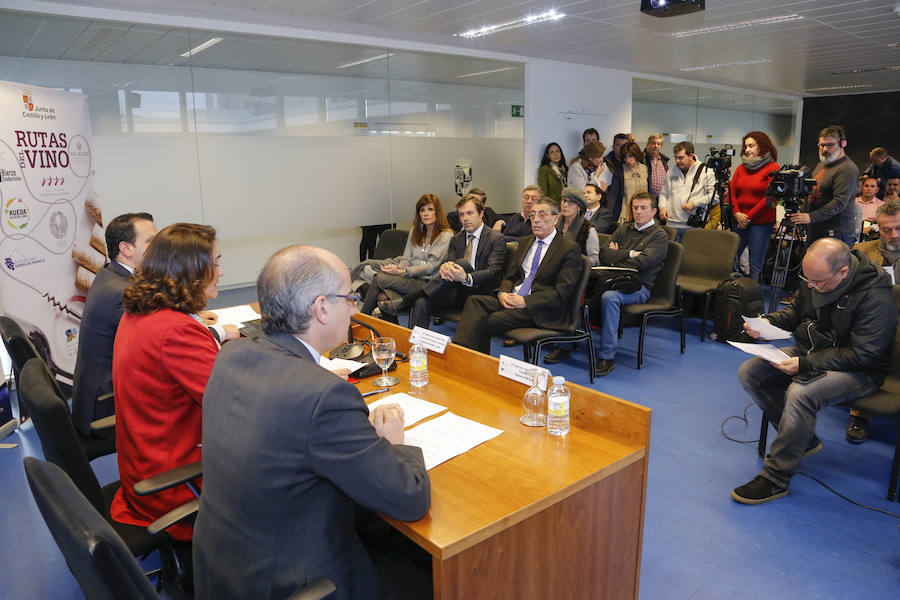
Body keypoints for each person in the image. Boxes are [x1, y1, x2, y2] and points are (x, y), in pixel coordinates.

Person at [193, 245, 430, 600]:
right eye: (349, 298)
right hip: (293, 582)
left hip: (224, 566)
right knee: (430, 577)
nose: (353, 308)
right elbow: (409, 497)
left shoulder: (232, 355)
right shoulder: (325, 396)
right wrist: (396, 444)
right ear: (321, 308)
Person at [731, 238, 896, 504]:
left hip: (862, 370)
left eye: (817, 282)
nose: (811, 286)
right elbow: (796, 313)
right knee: (751, 372)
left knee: (802, 392)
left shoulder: (875, 296)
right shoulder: (816, 277)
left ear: (843, 272)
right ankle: (803, 440)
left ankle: (776, 478)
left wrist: (806, 364)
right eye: (807, 280)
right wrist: (767, 322)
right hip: (814, 352)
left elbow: (864, 354)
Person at [110, 223, 228, 540]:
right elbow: (234, 406)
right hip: (175, 484)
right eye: (215, 263)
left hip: (143, 467)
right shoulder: (176, 331)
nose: (222, 271)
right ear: (191, 271)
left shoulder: (141, 312)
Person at [453, 198, 583, 355]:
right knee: (474, 302)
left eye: (542, 215)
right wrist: (502, 293)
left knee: (485, 321)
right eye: (533, 215)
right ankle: (461, 352)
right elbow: (510, 276)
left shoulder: (569, 249)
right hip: (513, 299)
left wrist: (525, 301)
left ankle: (463, 359)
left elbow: (562, 293)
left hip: (539, 309)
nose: (536, 220)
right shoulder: (526, 242)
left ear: (556, 219)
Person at [71, 212, 156, 436]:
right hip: (106, 407)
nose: (159, 247)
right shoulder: (123, 292)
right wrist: (216, 333)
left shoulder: (111, 273)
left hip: (97, 394)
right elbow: (159, 346)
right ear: (127, 249)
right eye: (152, 242)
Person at [379, 194, 507, 329]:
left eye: (470, 213)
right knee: (421, 302)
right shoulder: (456, 239)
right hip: (456, 290)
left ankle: (407, 301)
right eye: (461, 215)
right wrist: (446, 268)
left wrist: (466, 277)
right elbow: (448, 264)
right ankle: (416, 347)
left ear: (481, 213)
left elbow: (492, 272)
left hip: (482, 292)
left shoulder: (496, 238)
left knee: (462, 263)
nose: (465, 218)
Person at [591, 192, 669, 377]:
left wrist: (619, 254)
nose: (638, 212)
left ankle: (607, 357)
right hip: (614, 280)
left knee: (610, 298)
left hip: (639, 287)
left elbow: (644, 263)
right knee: (583, 285)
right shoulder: (624, 229)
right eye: (635, 208)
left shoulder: (659, 236)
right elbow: (603, 253)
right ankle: (571, 341)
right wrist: (631, 254)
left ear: (654, 211)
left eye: (643, 208)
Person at [846, 198, 900, 442]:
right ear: (878, 227)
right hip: (872, 322)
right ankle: (860, 413)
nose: (893, 234)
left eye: (899, 228)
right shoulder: (861, 253)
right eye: (887, 229)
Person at [356, 194, 453, 318]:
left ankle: (363, 320)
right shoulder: (415, 231)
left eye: (430, 209)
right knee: (383, 297)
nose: (426, 213)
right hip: (410, 278)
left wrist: (404, 271)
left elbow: (431, 266)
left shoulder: (445, 235)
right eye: (422, 210)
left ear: (437, 212)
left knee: (378, 278)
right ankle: (390, 330)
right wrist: (398, 269)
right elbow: (406, 258)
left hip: (427, 282)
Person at [542, 188, 601, 364]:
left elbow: (594, 261)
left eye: (571, 202)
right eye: (563, 201)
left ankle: (564, 346)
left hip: (578, 279)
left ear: (579, 207)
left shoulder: (588, 230)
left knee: (564, 294)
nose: (565, 205)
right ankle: (539, 330)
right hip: (554, 274)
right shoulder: (556, 225)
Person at [790, 125, 859, 246]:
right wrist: (802, 218)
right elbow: (810, 193)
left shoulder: (847, 169)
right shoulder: (822, 164)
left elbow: (839, 203)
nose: (825, 149)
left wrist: (810, 217)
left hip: (835, 233)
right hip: (817, 230)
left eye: (830, 145)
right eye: (822, 145)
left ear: (843, 144)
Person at [730, 131, 781, 281]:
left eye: (751, 146)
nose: (747, 150)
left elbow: (770, 196)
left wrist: (749, 216)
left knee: (755, 265)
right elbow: (732, 192)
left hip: (761, 224)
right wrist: (737, 212)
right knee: (731, 259)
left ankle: (752, 297)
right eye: (746, 146)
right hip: (739, 220)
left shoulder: (773, 167)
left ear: (762, 147)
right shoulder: (740, 168)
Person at [657, 141, 716, 241]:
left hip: (693, 226)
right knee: (672, 256)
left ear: (691, 155)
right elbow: (664, 193)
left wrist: (694, 203)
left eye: (681, 157)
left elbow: (715, 196)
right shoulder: (671, 171)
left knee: (691, 256)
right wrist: (662, 207)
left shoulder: (706, 171)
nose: (677, 161)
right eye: (676, 157)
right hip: (671, 224)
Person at [616, 142, 649, 223]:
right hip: (626, 214)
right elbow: (614, 195)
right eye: (625, 157)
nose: (628, 160)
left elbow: (650, 193)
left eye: (630, 156)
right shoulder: (620, 170)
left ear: (636, 155)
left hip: (644, 213)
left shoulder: (646, 169)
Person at [601, 133, 630, 223]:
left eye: (624, 146)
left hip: (626, 204)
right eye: (618, 145)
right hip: (609, 204)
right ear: (613, 146)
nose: (621, 148)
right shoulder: (604, 162)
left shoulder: (630, 163)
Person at [644, 133, 669, 202]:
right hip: (646, 199)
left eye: (659, 144)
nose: (656, 146)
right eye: (653, 143)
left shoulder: (664, 161)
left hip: (661, 200)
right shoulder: (642, 160)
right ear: (647, 145)